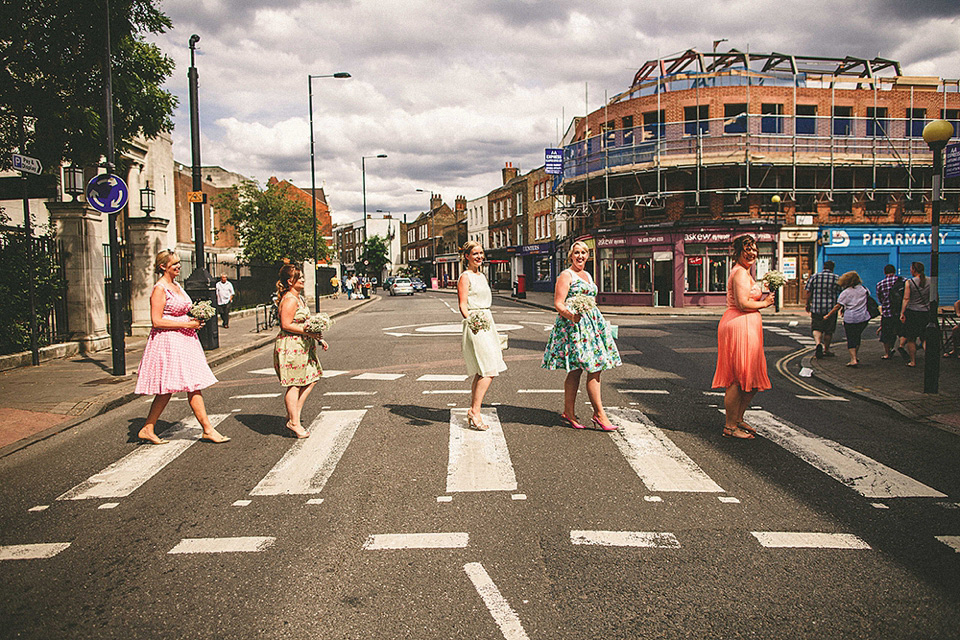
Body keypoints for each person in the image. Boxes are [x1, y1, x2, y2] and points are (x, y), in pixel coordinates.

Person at [134, 250, 229, 445]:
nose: (178, 266)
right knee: (183, 386)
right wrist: (187, 324)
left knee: (184, 386)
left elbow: (181, 310)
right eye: (174, 264)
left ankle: (148, 428)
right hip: (169, 341)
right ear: (163, 267)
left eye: (178, 263)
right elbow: (156, 321)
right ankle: (207, 429)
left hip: (185, 340)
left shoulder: (176, 285)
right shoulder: (160, 289)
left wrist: (195, 318)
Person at [542, 240, 621, 431]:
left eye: (584, 253)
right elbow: (559, 303)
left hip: (592, 326)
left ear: (588, 256)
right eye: (577, 253)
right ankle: (597, 414)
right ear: (571, 255)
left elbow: (591, 301)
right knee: (582, 368)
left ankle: (573, 412)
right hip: (574, 326)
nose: (580, 256)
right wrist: (572, 315)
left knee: (591, 367)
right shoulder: (566, 275)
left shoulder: (587, 274)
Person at [712, 235, 775, 440]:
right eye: (747, 249)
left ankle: (737, 418)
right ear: (738, 252)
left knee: (752, 379)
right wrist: (765, 304)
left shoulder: (746, 272)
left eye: (754, 250)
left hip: (748, 326)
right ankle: (730, 426)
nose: (751, 253)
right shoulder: (739, 273)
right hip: (738, 325)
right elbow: (742, 303)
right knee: (738, 379)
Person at [274, 264, 328, 438]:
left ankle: (293, 417)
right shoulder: (290, 299)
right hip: (291, 346)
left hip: (303, 345)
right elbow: (286, 324)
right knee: (295, 383)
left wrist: (318, 337)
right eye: (300, 277)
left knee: (312, 378)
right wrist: (310, 333)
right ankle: (294, 422)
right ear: (291, 281)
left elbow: (305, 322)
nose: (304, 279)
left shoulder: (299, 298)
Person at [458, 241, 506, 430]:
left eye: (481, 253)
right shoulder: (465, 277)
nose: (479, 256)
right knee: (489, 369)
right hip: (476, 324)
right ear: (467, 256)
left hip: (487, 321)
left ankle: (473, 410)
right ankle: (475, 411)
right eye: (475, 253)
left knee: (482, 369)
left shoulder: (482, 276)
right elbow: (462, 304)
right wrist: (471, 322)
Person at [824, 271, 871, 367]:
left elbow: (838, 306)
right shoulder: (864, 289)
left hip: (850, 318)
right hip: (863, 317)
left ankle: (853, 359)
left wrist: (828, 315)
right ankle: (855, 356)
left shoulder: (846, 292)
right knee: (857, 336)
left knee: (851, 338)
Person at [805, 260, 841, 359]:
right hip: (830, 309)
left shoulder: (814, 277)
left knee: (817, 328)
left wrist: (808, 303)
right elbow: (841, 293)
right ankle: (826, 349)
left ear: (823, 267)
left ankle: (817, 344)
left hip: (816, 307)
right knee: (829, 330)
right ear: (832, 268)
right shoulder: (836, 278)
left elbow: (808, 291)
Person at [899, 261, 931, 368]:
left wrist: (902, 312)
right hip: (926, 313)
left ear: (914, 270)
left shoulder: (909, 282)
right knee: (924, 338)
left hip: (913, 313)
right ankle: (929, 360)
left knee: (911, 339)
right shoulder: (931, 281)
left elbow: (906, 298)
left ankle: (912, 361)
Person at [875, 264, 903, 359]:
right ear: (894, 271)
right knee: (903, 332)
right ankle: (901, 346)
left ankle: (887, 353)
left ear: (884, 272)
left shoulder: (880, 284)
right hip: (900, 312)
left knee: (886, 334)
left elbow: (880, 299)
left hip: (887, 313)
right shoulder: (903, 281)